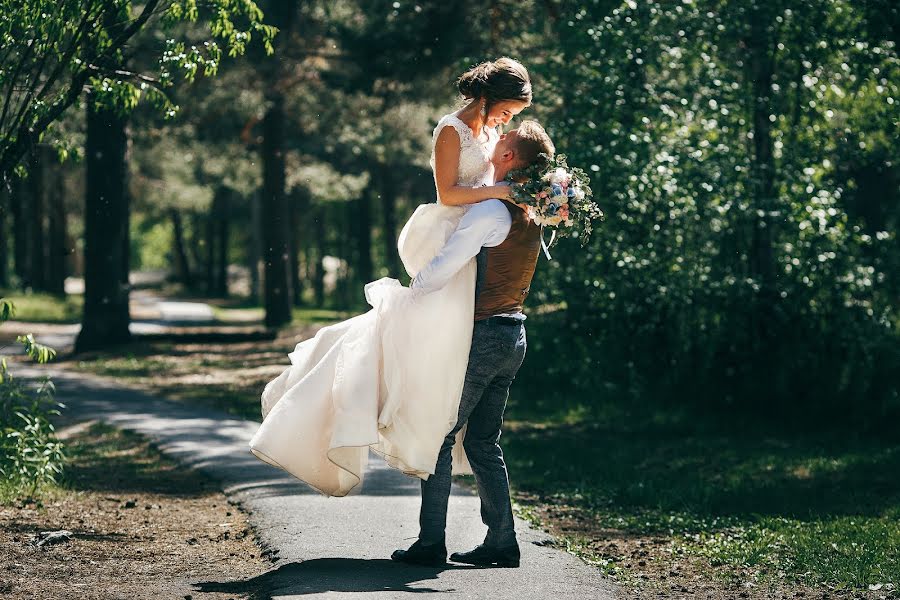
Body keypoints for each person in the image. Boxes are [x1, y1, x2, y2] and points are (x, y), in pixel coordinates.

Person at [248, 58, 533, 497]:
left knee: (449, 357)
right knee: (417, 342)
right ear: (488, 97)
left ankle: (435, 461)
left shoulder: (492, 134)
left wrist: (539, 192)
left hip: (478, 243)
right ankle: (364, 415)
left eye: (513, 116)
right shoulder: (450, 130)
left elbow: (507, 171)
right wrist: (501, 192)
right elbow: (449, 193)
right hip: (450, 235)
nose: (507, 120)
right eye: (507, 110)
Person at [391, 121, 555, 569]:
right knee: (483, 442)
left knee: (441, 435)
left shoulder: (491, 212)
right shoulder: (532, 212)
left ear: (509, 159)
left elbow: (449, 262)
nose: (493, 141)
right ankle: (502, 542)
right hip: (514, 335)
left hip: (483, 336)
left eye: (502, 141)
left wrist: (413, 291)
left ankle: (430, 543)